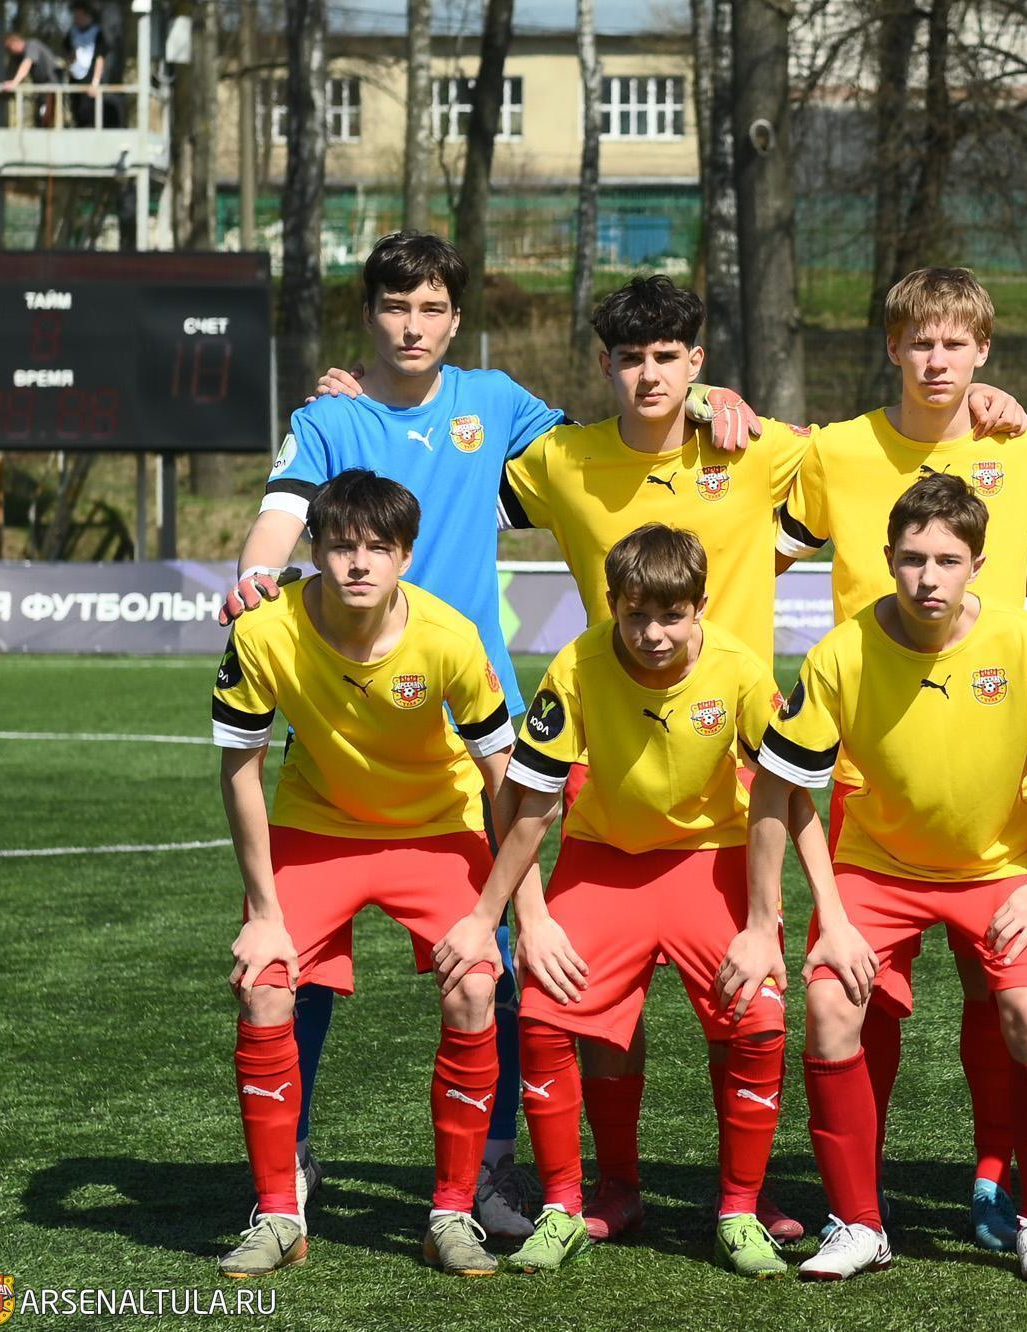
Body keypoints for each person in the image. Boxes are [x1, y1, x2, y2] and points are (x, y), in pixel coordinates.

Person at [497, 272, 1027, 1243]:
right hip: (617, 764)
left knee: (748, 1000)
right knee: (591, 1005)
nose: (650, 375)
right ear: (604, 364)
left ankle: (749, 1194)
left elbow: (898, 438)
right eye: (630, 358)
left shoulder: (765, 448)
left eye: (671, 359)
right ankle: (611, 1186)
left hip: (743, 771)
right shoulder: (563, 461)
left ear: (697, 361)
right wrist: (361, 407)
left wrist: (979, 399)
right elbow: (454, 480)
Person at [222, 231, 563, 1242]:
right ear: (367, 315)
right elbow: (282, 513)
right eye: (394, 307)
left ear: (457, 318)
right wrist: (256, 576)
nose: (413, 327)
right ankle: (288, 1159)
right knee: (292, 968)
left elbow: (606, 449)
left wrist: (712, 402)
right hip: (346, 728)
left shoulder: (494, 402)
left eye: (431, 309)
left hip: (469, 725)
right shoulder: (330, 417)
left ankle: (489, 1170)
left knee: (492, 963)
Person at [752, 474, 1027, 1282]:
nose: (928, 577)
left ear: (979, 566)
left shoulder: (1024, 644)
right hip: (878, 870)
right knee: (828, 1004)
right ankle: (858, 1224)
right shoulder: (841, 653)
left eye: (948, 561)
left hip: (998, 870)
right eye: (913, 559)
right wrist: (822, 914)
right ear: (887, 558)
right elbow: (779, 788)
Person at [773, 267, 1027, 1250]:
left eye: (955, 343)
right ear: (892, 348)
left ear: (983, 350)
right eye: (920, 341)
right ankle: (858, 1204)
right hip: (868, 778)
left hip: (994, 773)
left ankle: (996, 1177)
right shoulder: (834, 449)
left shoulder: (1022, 444)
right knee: (856, 996)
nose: (937, 360)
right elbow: (747, 548)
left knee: (1007, 1000)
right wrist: (708, 399)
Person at [461, 524, 816, 1278]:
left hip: (709, 861)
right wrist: (523, 918)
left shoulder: (739, 668)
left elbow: (787, 792)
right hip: (604, 863)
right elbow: (528, 803)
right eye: (634, 615)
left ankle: (739, 1208)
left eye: (671, 616)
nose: (652, 634)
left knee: (758, 1017)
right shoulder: (578, 664)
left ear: (700, 607)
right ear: (612, 604)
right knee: (547, 1011)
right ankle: (575, 1203)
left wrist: (773, 922)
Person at [210, 471, 515, 1279]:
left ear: (405, 557)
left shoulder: (449, 636)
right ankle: (279, 1212)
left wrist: (512, 911)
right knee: (264, 983)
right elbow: (239, 770)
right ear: (314, 550)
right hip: (318, 826)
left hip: (436, 828)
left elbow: (503, 780)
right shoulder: (263, 632)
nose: (358, 563)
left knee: (476, 987)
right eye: (342, 545)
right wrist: (263, 912)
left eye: (379, 548)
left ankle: (451, 1212)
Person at [0, 34, 63, 127]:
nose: (10, 51)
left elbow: (27, 63)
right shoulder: (18, 56)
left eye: (9, 48)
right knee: (40, 118)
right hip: (41, 90)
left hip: (52, 87)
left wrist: (14, 83)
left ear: (16, 43)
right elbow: (11, 71)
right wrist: (8, 83)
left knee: (49, 118)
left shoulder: (32, 45)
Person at [65, 4, 107, 128]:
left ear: (85, 15)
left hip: (90, 79)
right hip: (75, 78)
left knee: (88, 112)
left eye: (79, 15)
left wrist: (95, 83)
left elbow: (100, 59)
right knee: (76, 110)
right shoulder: (72, 32)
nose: (76, 18)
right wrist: (70, 59)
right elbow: (67, 53)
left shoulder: (97, 33)